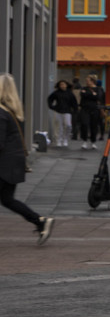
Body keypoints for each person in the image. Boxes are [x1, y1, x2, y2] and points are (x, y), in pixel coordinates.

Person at [0, 74, 50, 244]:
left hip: (4, 164)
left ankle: (40, 221)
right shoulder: (14, 111)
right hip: (13, 162)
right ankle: (40, 221)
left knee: (8, 199)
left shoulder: (1, 112)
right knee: (7, 199)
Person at [46, 80, 76, 149]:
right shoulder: (56, 93)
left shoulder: (70, 93)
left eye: (63, 84)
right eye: (61, 85)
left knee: (68, 125)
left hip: (67, 111)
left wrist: (74, 110)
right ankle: (58, 140)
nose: (62, 86)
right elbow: (50, 99)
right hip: (58, 110)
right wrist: (51, 106)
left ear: (66, 85)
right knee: (59, 126)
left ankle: (65, 138)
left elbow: (74, 102)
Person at [79, 75, 104, 150]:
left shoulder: (98, 89)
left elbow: (98, 97)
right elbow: (82, 95)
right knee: (84, 124)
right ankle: (84, 140)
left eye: (88, 81)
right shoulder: (84, 88)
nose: (86, 82)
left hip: (94, 109)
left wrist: (88, 94)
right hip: (85, 109)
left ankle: (93, 141)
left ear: (92, 81)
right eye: (86, 81)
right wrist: (92, 95)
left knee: (94, 125)